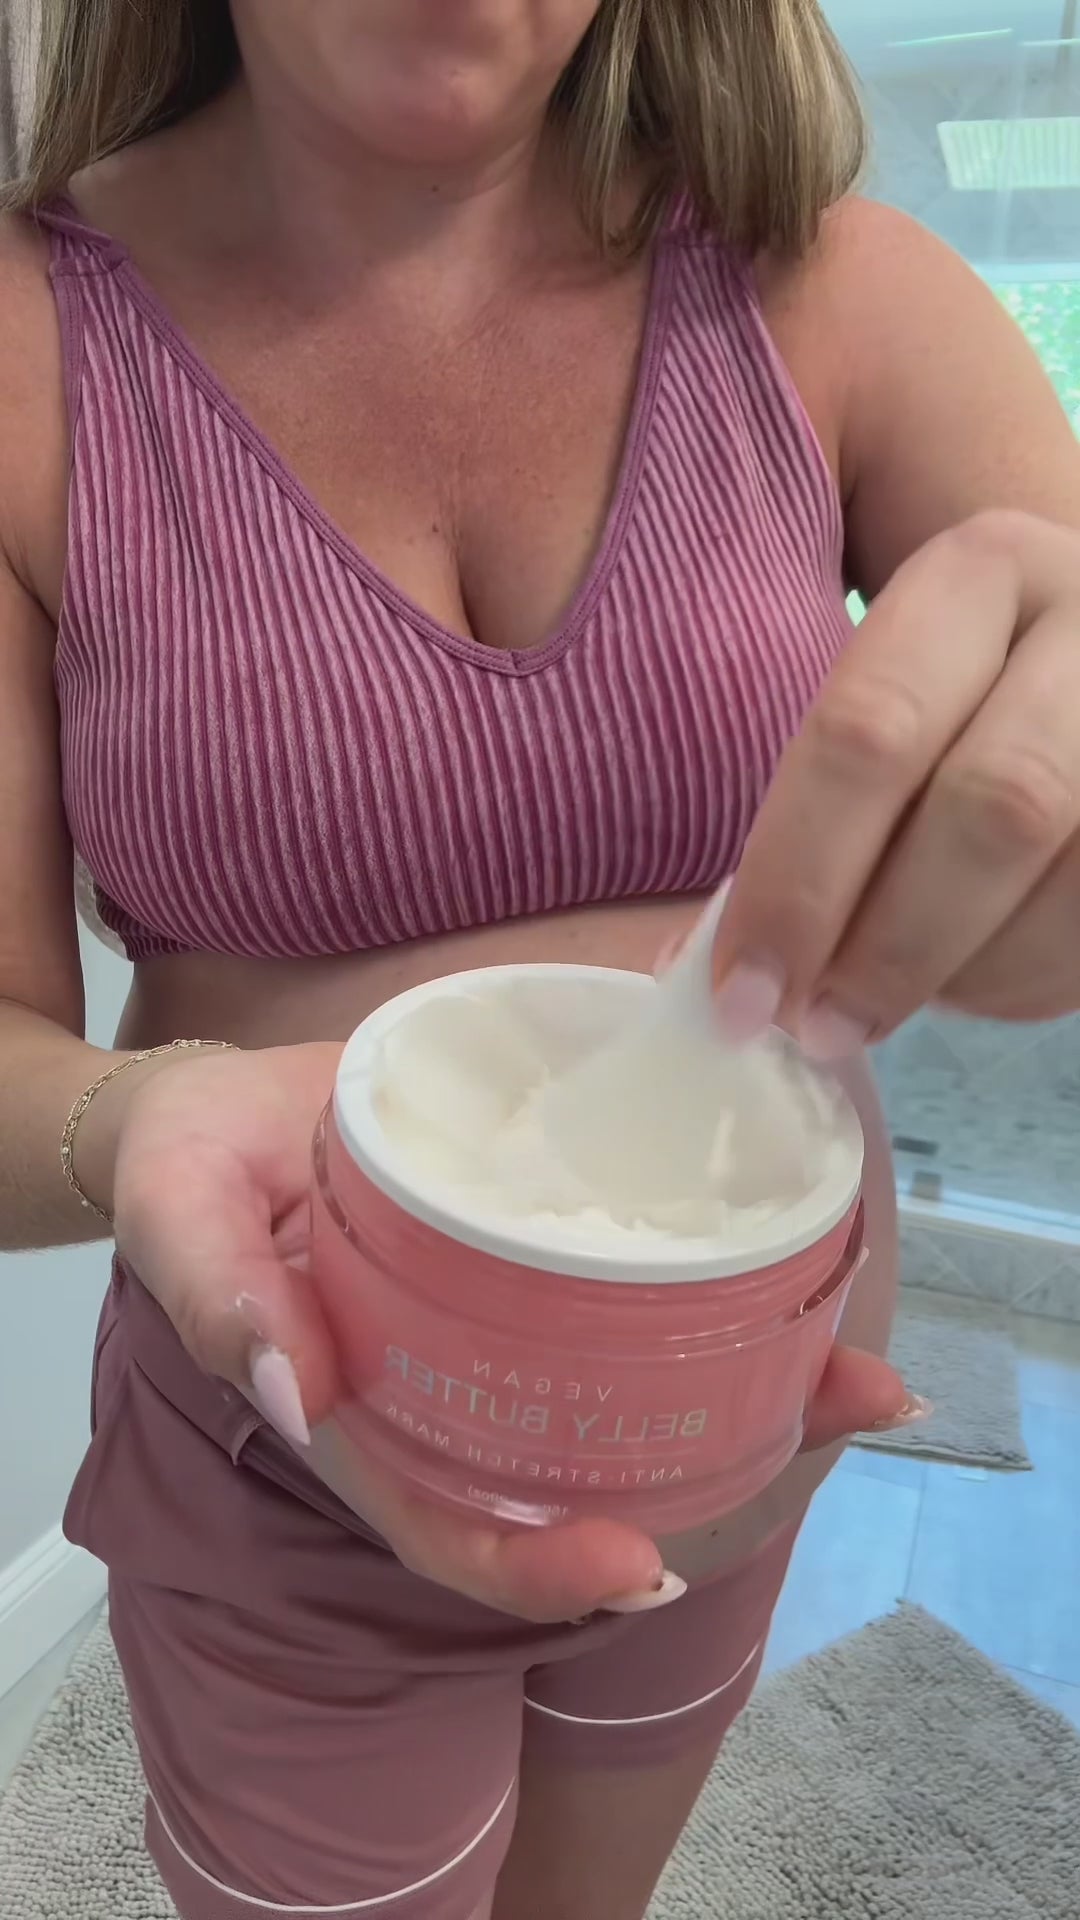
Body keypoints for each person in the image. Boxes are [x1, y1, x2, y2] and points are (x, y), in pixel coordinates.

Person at [1, 4, 1078, 1917]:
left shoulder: (846, 292)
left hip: (742, 1422)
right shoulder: (25, 351)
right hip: (285, 1447)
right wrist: (138, 1119)